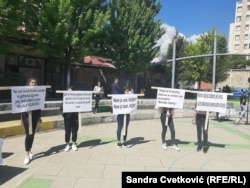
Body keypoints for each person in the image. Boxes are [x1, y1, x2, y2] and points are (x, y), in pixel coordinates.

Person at [21, 78, 42, 165]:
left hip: (35, 115)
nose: (33, 84)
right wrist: (25, 111)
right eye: (31, 82)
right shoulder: (23, 91)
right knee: (28, 134)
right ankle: (26, 154)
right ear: (28, 83)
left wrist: (39, 117)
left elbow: (39, 104)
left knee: (32, 133)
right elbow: (19, 103)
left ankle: (30, 152)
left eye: (35, 82)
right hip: (26, 115)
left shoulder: (38, 92)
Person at [60, 86, 79, 152]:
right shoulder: (65, 99)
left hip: (75, 117)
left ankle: (74, 143)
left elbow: (80, 106)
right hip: (67, 117)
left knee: (74, 131)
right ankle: (67, 144)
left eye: (71, 91)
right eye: (68, 91)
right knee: (67, 131)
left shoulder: (77, 99)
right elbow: (61, 107)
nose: (69, 93)